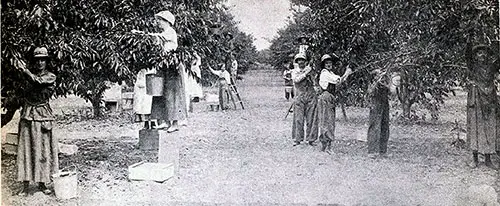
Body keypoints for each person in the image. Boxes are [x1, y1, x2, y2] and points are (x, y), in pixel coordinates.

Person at [132, 10, 186, 133]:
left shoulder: (170, 32)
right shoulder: (164, 33)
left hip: (172, 66)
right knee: (160, 93)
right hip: (164, 65)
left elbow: (155, 36)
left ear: (167, 21)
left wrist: (140, 34)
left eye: (160, 20)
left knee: (172, 94)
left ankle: (175, 123)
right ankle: (165, 121)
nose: (159, 23)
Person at [17, 47, 59, 196]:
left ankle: (42, 182)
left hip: (42, 115)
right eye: (37, 60)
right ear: (34, 62)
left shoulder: (50, 76)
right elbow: (24, 91)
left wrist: (25, 70)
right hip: (28, 114)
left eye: (43, 60)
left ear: (46, 62)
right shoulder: (28, 77)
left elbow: (38, 82)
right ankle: (25, 185)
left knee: (43, 149)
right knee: (26, 149)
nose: (40, 62)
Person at [466, 45, 498, 168]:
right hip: (477, 98)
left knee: (489, 127)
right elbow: (467, 56)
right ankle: (474, 159)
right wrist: (469, 39)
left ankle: (488, 159)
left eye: (484, 53)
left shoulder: (491, 67)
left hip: (490, 99)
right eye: (479, 53)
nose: (482, 55)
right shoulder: (473, 67)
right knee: (475, 126)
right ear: (475, 56)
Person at [317, 54, 352, 152]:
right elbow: (338, 80)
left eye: (330, 63)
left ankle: (326, 145)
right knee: (327, 121)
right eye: (327, 63)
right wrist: (347, 73)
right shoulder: (325, 73)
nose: (329, 64)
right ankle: (327, 145)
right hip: (326, 97)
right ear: (324, 65)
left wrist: (346, 74)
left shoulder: (331, 73)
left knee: (328, 121)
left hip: (330, 97)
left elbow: (338, 79)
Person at [291, 53, 318, 146]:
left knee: (311, 118)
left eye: (302, 60)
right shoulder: (294, 71)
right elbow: (296, 80)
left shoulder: (310, 70)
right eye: (299, 60)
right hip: (299, 96)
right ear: (297, 62)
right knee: (298, 118)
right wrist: (306, 73)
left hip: (310, 95)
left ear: (305, 61)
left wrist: (311, 73)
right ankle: (297, 139)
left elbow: (315, 81)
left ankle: (311, 139)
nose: (301, 62)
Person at [366, 69, 390, 158]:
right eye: (378, 74)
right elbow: (371, 92)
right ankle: (372, 151)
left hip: (384, 104)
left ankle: (382, 151)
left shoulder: (383, 84)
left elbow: (391, 91)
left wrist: (386, 81)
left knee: (385, 126)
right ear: (374, 77)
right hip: (375, 105)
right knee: (374, 127)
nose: (381, 76)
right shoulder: (372, 84)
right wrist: (377, 81)